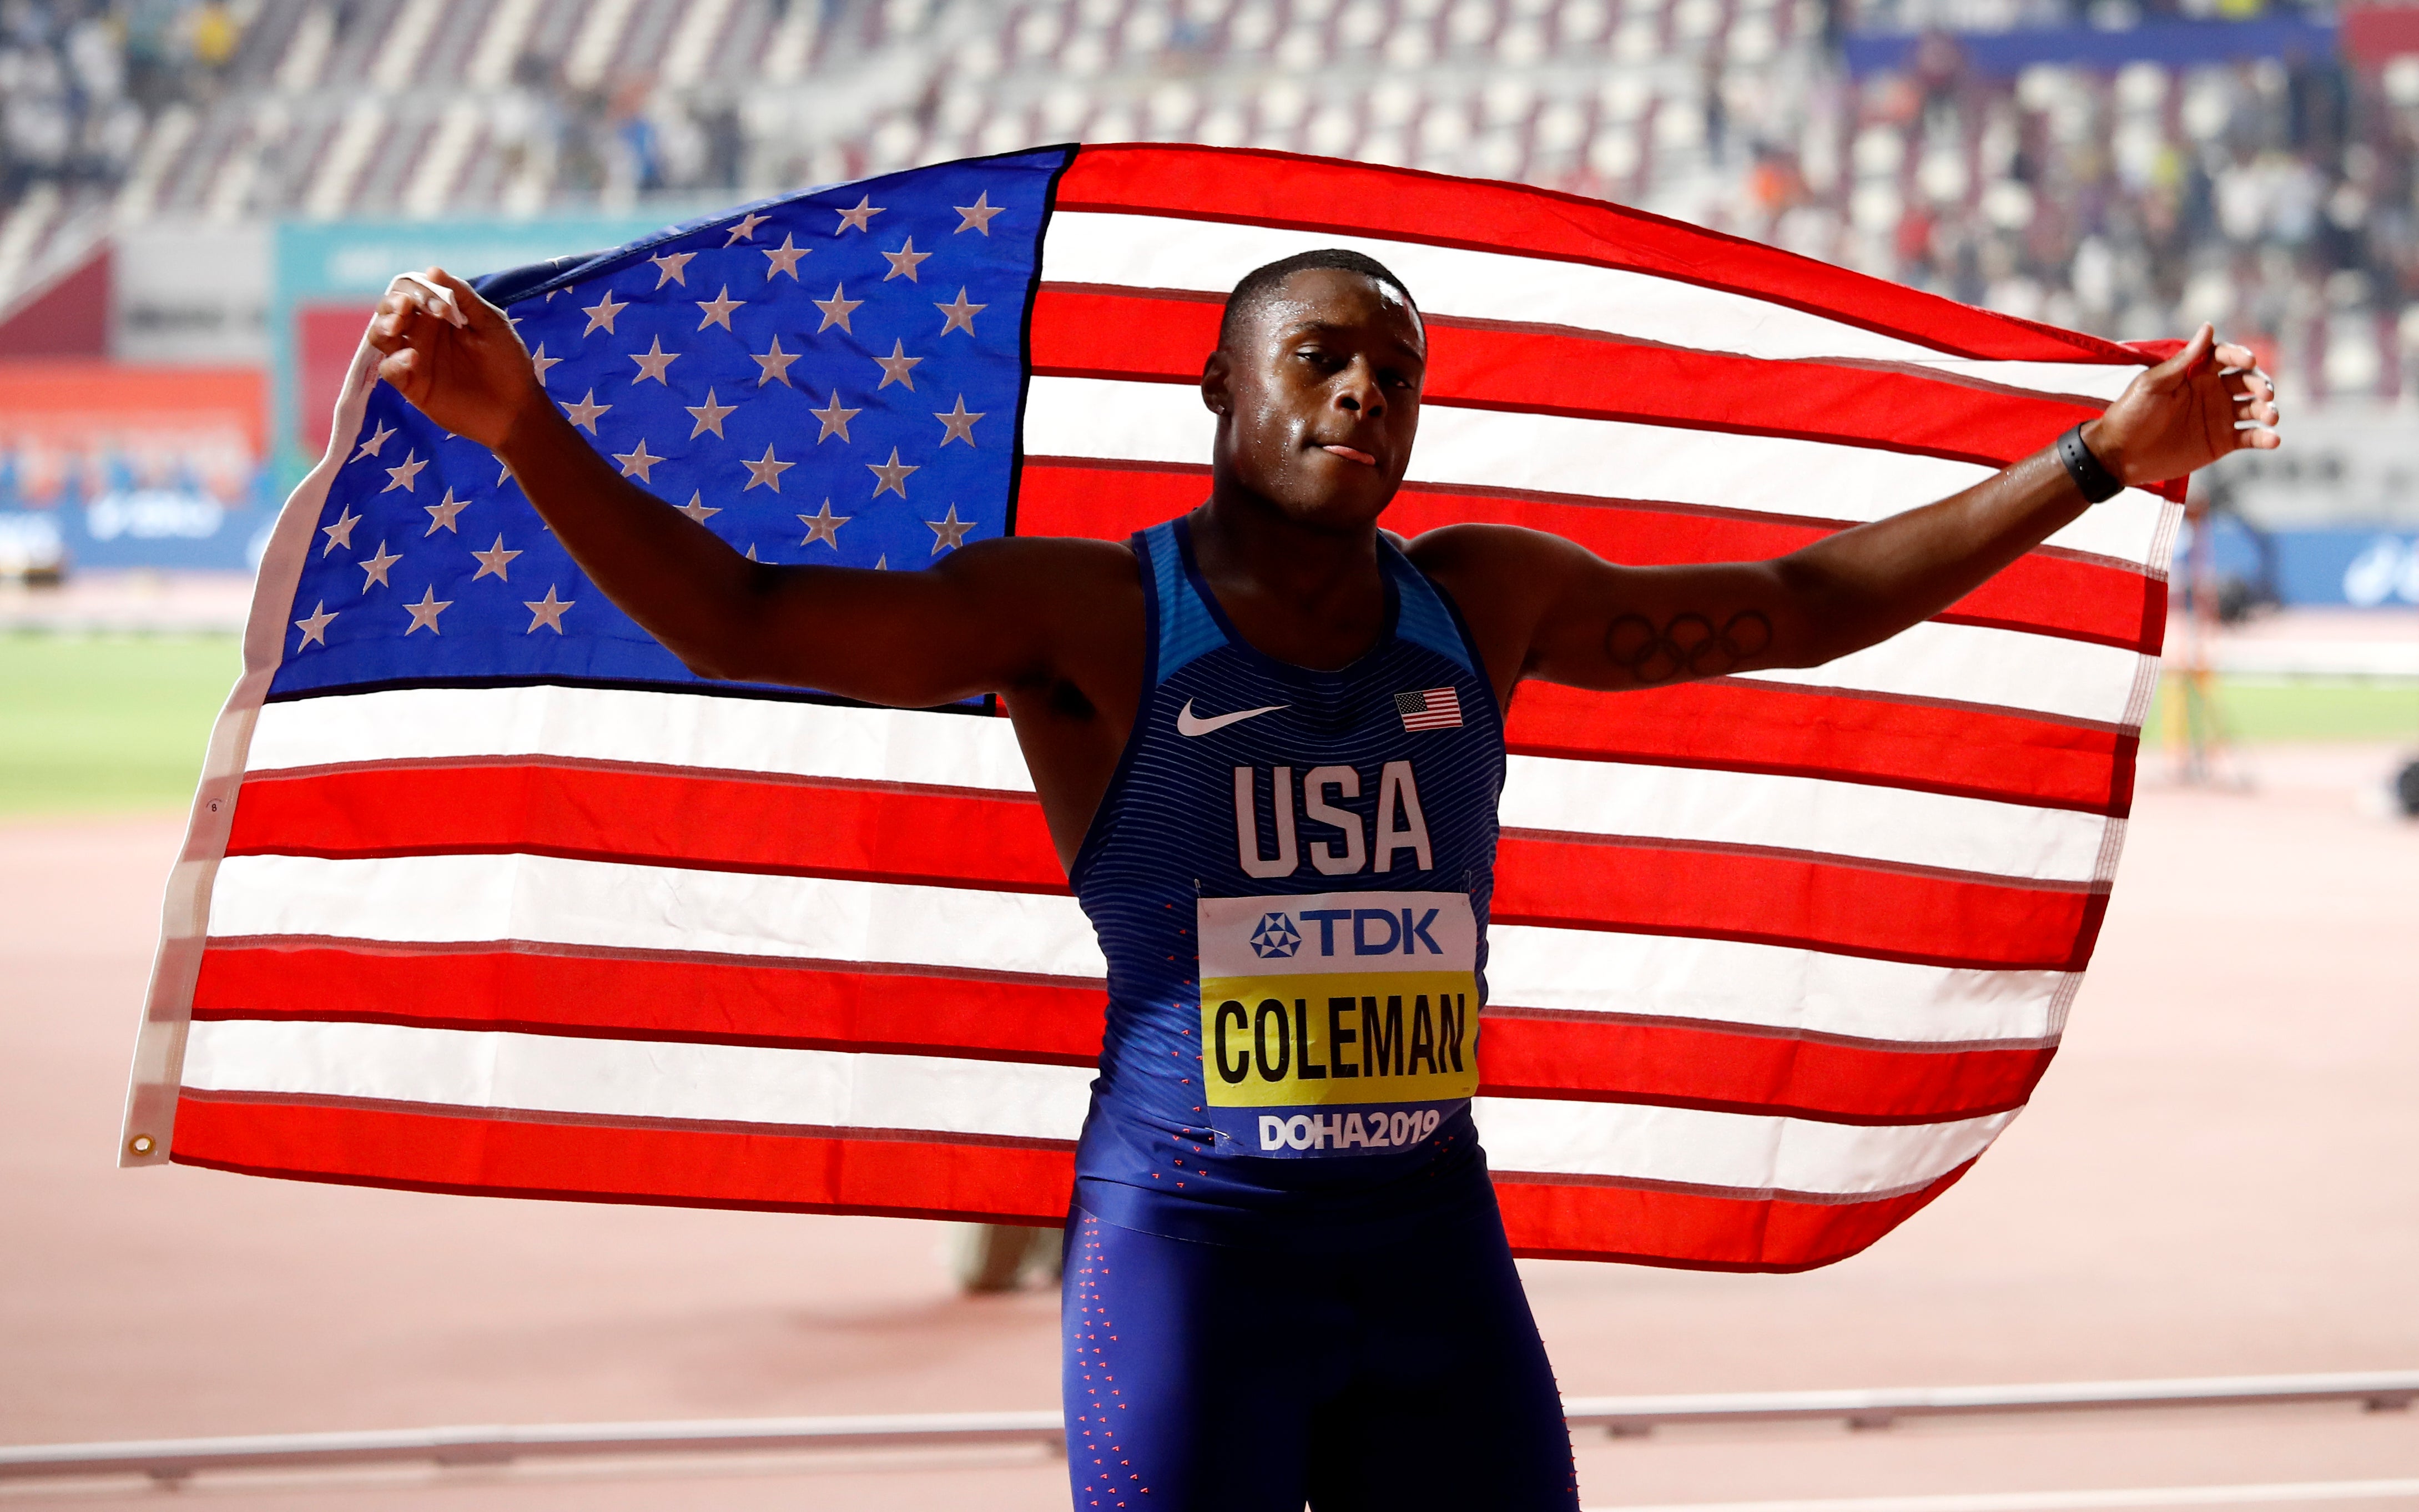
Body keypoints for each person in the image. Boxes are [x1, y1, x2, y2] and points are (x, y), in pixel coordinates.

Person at [368, 247, 2279, 1511]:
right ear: (1219, 385)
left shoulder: (1485, 600)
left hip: (1429, 1241)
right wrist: (527, 427)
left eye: (1397, 373)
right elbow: (748, 618)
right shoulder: (1098, 615)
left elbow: (1792, 607)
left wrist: (2098, 459)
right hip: (1195, 1244)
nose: (1363, 394)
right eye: (1321, 357)